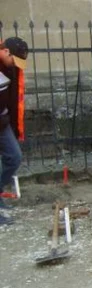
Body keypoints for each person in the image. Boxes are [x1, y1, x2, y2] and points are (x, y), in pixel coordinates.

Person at [0, 37, 29, 225]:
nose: (15, 65)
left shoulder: (12, 68)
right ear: (6, 51)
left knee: (14, 157)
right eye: (14, 59)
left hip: (3, 122)